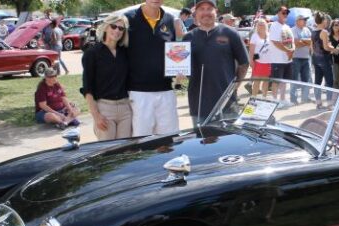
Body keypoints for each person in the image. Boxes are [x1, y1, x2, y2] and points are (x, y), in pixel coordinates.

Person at [182, 0, 249, 126]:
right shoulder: (188, 38)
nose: (206, 12)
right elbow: (183, 66)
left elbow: (244, 63)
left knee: (229, 142)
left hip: (227, 103)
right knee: (202, 143)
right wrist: (180, 74)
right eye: (202, 9)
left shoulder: (231, 33)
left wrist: (235, 85)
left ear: (216, 11)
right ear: (196, 13)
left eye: (209, 9)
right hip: (199, 103)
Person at [125, 0, 181, 137]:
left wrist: (180, 69)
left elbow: (175, 50)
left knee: (169, 140)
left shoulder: (170, 19)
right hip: (138, 91)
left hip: (165, 89)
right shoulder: (128, 18)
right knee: (143, 141)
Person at [83, 14, 133, 140]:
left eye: (121, 28)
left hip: (125, 109)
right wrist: (96, 116)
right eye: (114, 26)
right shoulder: (92, 53)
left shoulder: (125, 53)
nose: (117, 31)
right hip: (105, 109)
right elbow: (87, 89)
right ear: (106, 27)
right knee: (108, 155)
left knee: (124, 154)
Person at [268, 6, 295, 105]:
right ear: (278, 13)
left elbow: (292, 41)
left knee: (284, 81)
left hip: (287, 59)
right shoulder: (274, 25)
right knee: (276, 81)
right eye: (283, 12)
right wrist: (288, 50)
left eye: (286, 13)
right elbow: (275, 42)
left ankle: (283, 99)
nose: (285, 14)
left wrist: (292, 50)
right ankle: (275, 100)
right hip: (277, 59)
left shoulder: (287, 27)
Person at [311, 12, 335, 109]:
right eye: (325, 19)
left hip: (316, 58)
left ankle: (318, 103)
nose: (327, 21)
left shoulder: (313, 31)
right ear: (323, 20)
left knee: (317, 81)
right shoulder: (324, 32)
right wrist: (333, 48)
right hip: (325, 59)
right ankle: (329, 104)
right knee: (329, 81)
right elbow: (326, 47)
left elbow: (312, 47)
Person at [290, 14, 312, 104]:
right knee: (294, 79)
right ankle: (293, 99)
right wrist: (306, 42)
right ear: (298, 21)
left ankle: (305, 98)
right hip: (295, 58)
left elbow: (311, 42)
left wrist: (303, 41)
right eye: (303, 20)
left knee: (306, 79)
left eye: (305, 20)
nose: (305, 21)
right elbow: (296, 43)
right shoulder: (293, 30)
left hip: (306, 57)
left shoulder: (307, 30)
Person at [248, 18, 272, 97]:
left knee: (266, 81)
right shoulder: (255, 36)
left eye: (263, 24)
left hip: (268, 61)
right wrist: (251, 60)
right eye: (260, 24)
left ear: (266, 25)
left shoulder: (269, 35)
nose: (261, 26)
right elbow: (251, 50)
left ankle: (264, 98)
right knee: (257, 81)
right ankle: (254, 98)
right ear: (257, 26)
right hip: (258, 61)